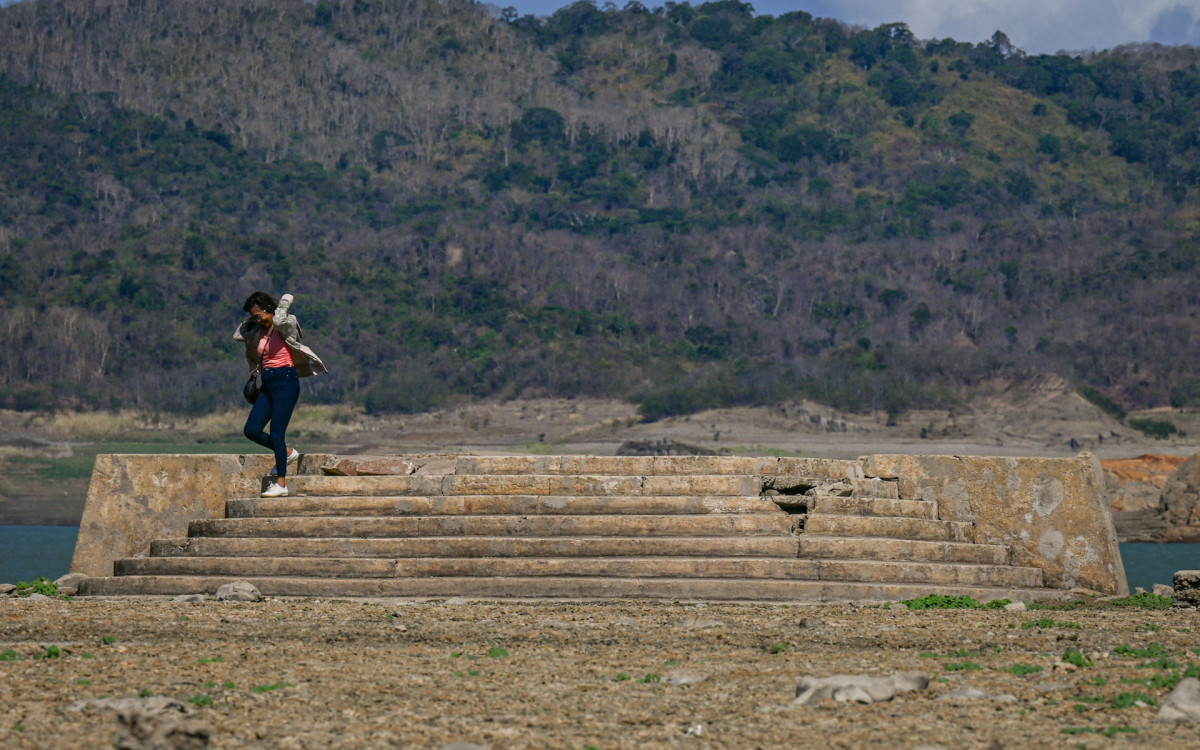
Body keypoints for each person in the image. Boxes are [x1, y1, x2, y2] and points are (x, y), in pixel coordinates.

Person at [234, 291, 327, 497]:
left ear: (270, 310)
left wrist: (282, 305)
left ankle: (281, 484)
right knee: (251, 429)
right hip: (268, 381)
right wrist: (255, 318)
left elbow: (283, 321)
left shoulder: (286, 324)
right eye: (254, 316)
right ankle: (286, 453)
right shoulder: (257, 329)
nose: (257, 319)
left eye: (259, 315)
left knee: (277, 433)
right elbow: (238, 335)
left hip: (286, 380)